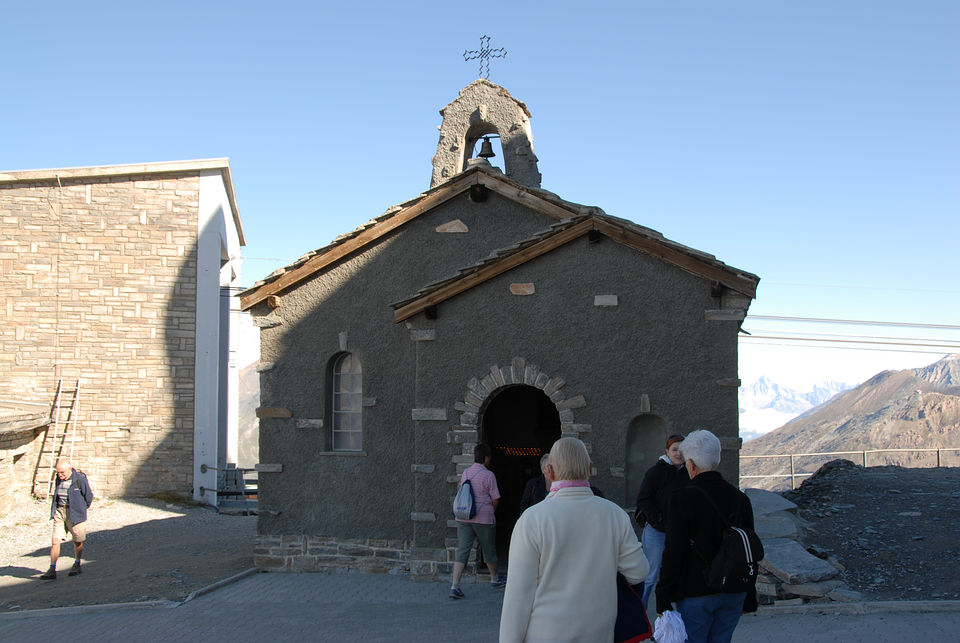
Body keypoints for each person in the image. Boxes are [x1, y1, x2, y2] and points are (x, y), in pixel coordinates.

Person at [499, 437, 649, 642]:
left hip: (546, 634)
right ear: (590, 469)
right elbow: (639, 571)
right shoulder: (615, 514)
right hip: (599, 632)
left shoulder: (532, 519)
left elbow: (518, 598)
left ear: (549, 471)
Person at [655, 430, 757, 643]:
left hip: (696, 591)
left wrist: (663, 597)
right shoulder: (740, 499)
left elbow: (674, 551)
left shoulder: (681, 499)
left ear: (691, 464)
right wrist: (749, 596)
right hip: (734, 590)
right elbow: (748, 550)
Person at [635, 434, 689, 607]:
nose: (678, 453)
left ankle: (675, 615)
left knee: (680, 574)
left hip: (680, 533)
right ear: (667, 451)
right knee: (650, 576)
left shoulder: (689, 473)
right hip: (657, 532)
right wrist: (658, 518)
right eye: (674, 449)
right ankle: (641, 614)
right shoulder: (656, 472)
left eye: (682, 450)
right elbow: (644, 499)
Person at [450, 443, 505, 598]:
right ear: (486, 458)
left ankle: (454, 586)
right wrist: (491, 512)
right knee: (489, 550)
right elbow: (495, 499)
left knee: (463, 550)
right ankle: (494, 579)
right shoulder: (489, 475)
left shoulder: (466, 472)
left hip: (464, 516)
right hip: (484, 518)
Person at [39, 459, 94, 580]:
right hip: (60, 512)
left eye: (62, 472)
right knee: (55, 541)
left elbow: (88, 496)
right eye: (58, 472)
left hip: (75, 513)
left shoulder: (79, 479)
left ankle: (77, 563)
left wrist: (80, 509)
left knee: (77, 540)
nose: (60, 475)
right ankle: (52, 569)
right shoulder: (59, 479)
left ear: (70, 470)